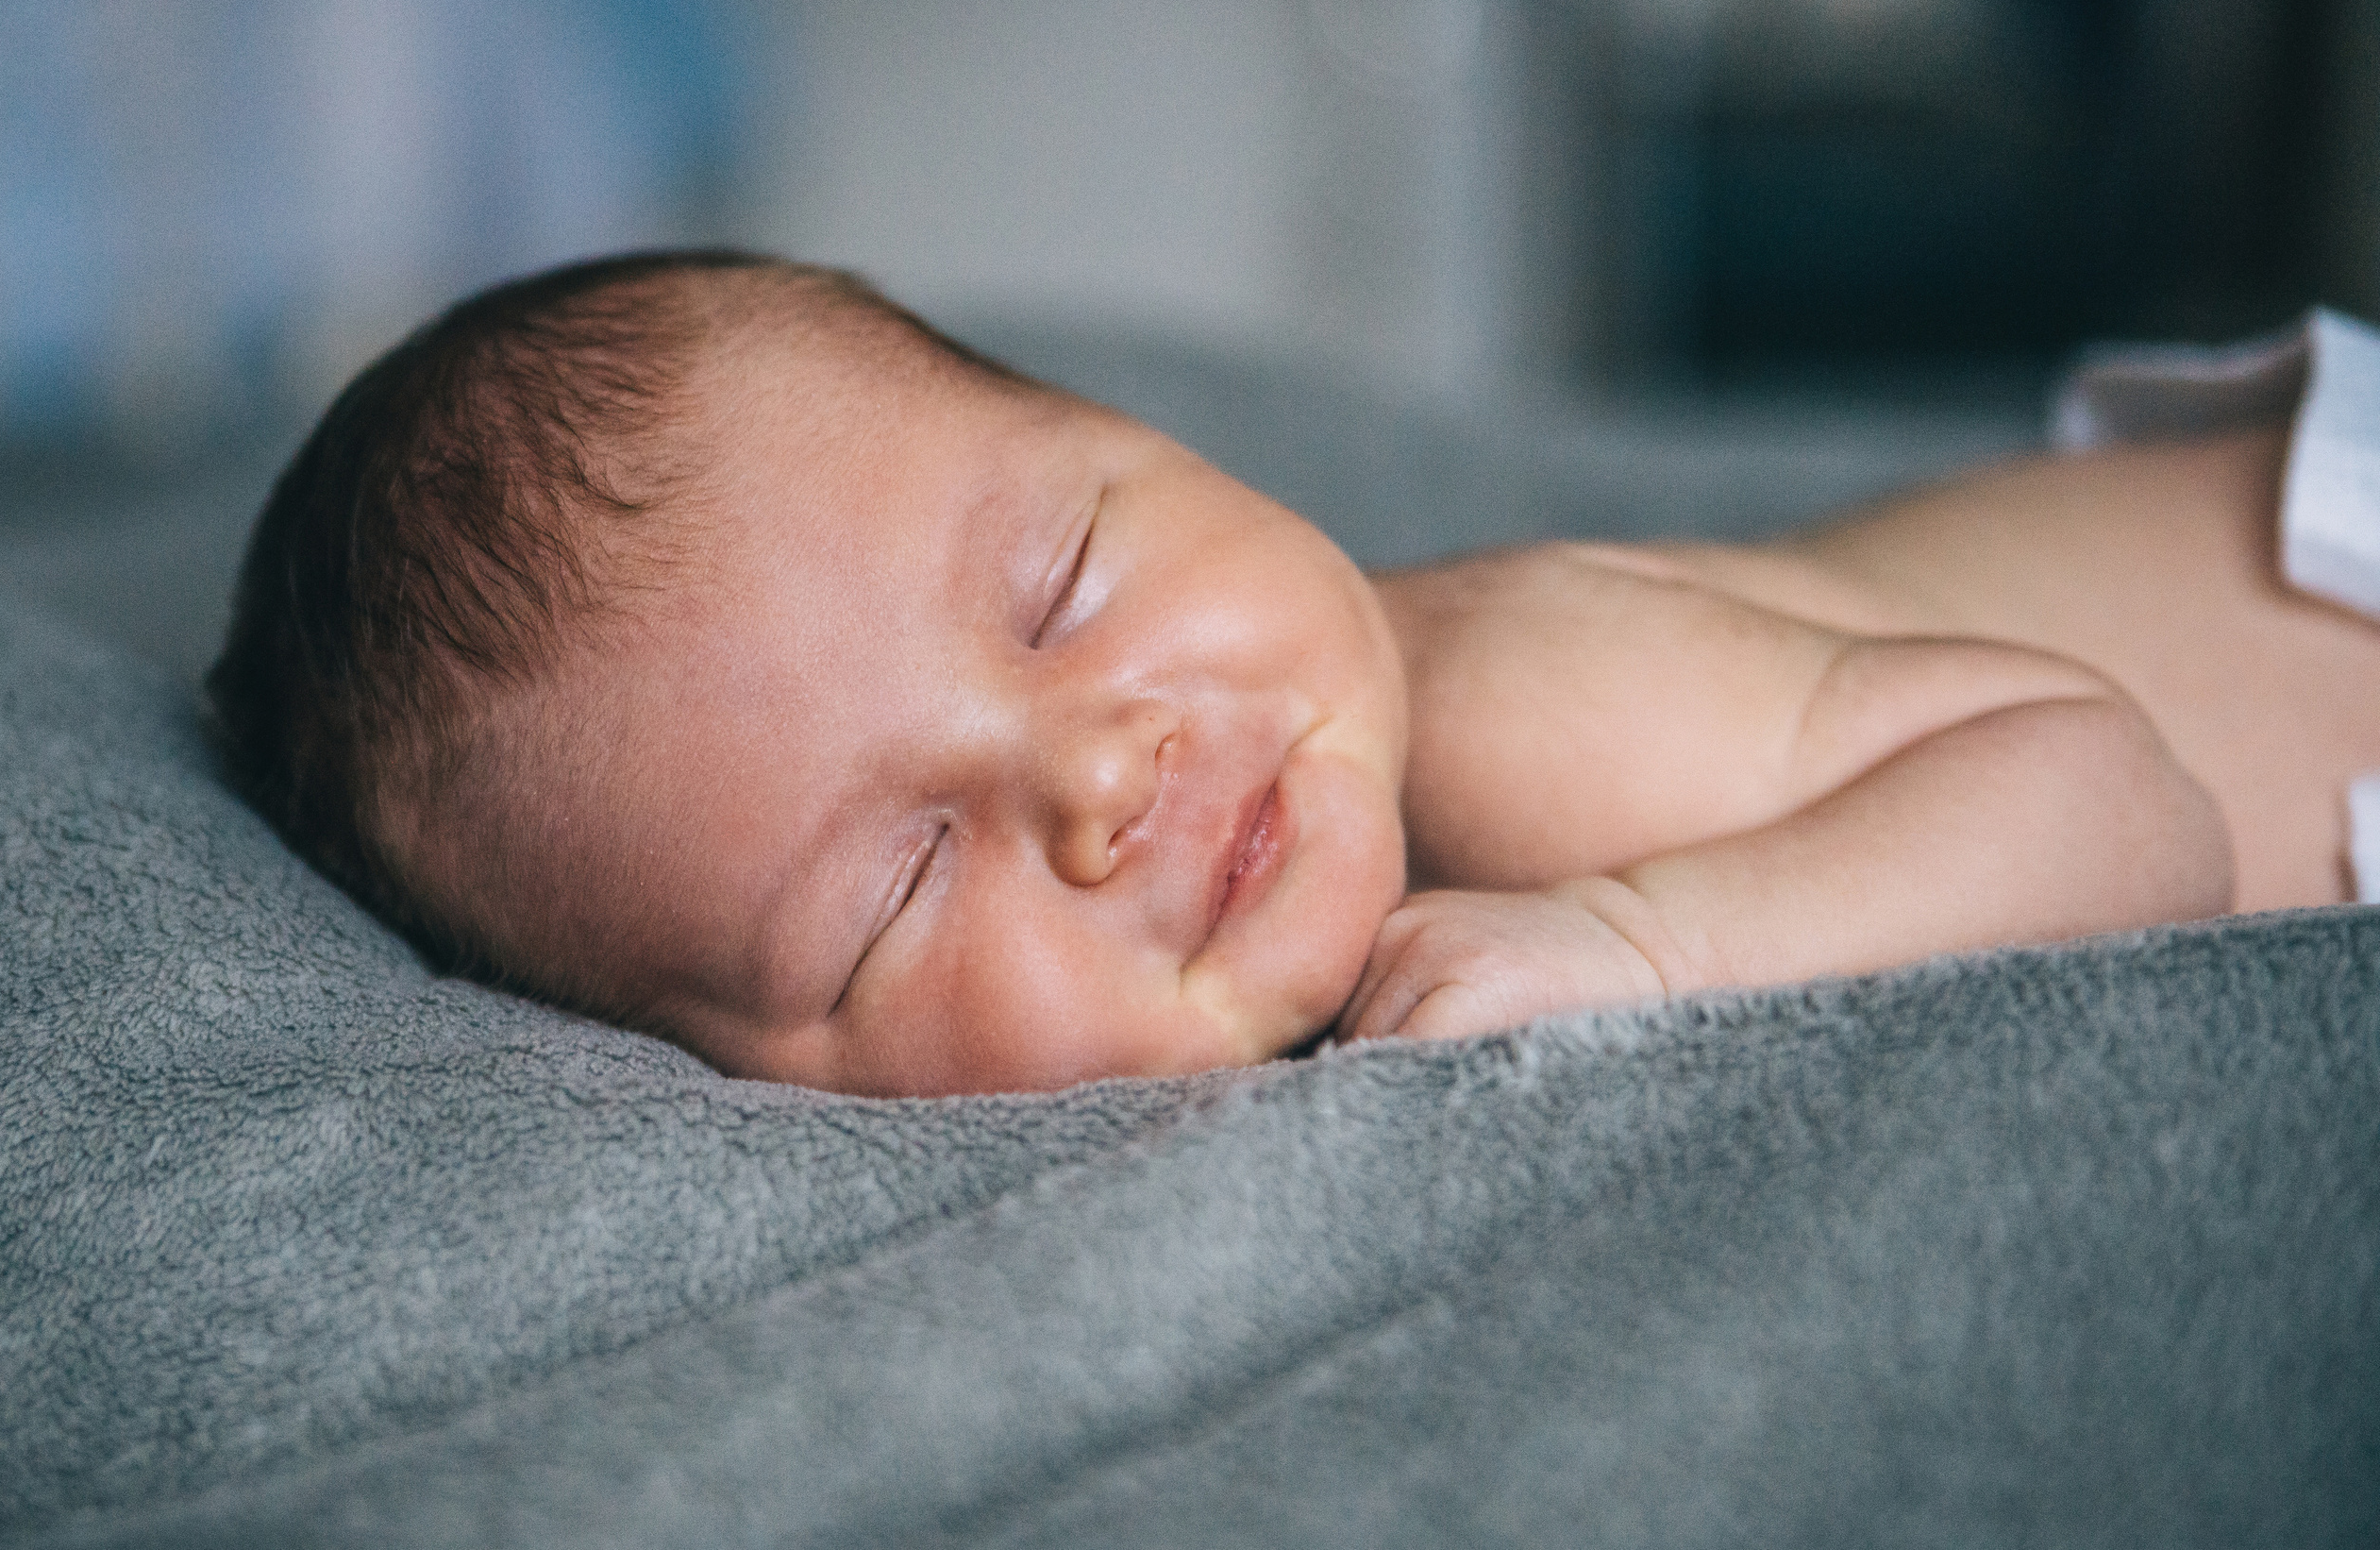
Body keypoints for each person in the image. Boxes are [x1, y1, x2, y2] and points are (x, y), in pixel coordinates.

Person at [207, 251, 2380, 1097]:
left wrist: (1646, 937)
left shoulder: (1522, 707)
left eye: (1060, 579)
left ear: (1167, 445)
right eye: (891, 892)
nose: (1096, 773)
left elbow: (2124, 801)